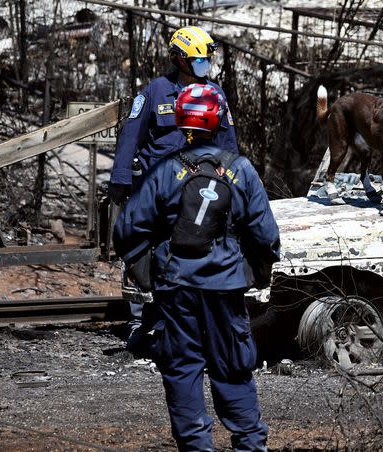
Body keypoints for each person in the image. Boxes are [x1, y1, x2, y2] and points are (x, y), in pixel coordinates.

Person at [114, 83, 280, 451]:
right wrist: (252, 272)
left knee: (182, 368)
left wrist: (149, 274)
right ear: (219, 119)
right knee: (234, 368)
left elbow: (127, 230)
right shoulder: (242, 171)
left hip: (176, 288)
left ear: (179, 121)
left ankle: (196, 446)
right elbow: (266, 236)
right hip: (225, 289)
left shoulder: (165, 171)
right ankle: (250, 445)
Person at [109, 25, 239, 351]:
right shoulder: (155, 92)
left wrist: (233, 186)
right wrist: (121, 180)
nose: (203, 65)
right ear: (179, 59)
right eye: (197, 60)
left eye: (206, 59)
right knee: (143, 255)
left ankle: (182, 326)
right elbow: (130, 138)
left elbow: (229, 147)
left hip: (197, 196)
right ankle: (141, 323)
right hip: (154, 192)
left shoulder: (216, 96)